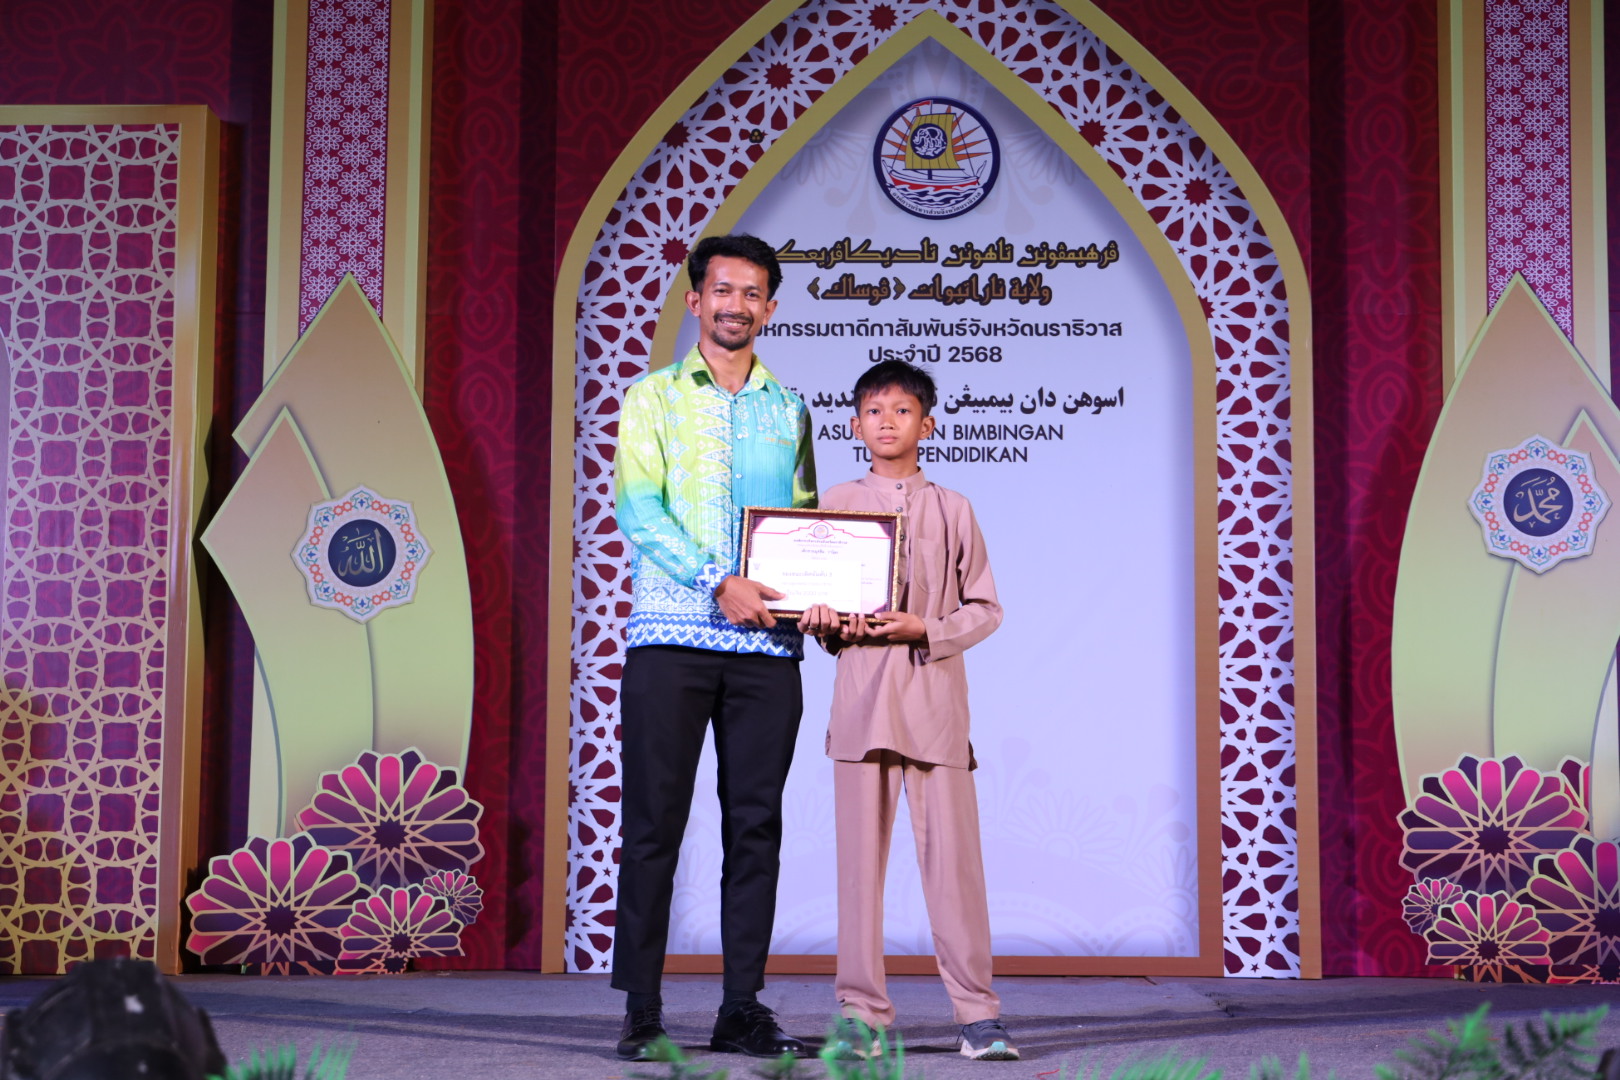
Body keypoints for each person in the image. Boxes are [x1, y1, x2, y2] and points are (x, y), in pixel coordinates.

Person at [610, 234, 816, 1061]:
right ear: (695, 301)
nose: (736, 305)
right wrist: (715, 580)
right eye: (722, 290)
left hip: (767, 651)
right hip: (670, 639)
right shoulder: (651, 397)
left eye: (752, 293)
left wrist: (819, 600)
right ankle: (642, 1010)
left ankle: (741, 1008)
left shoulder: (789, 409)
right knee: (653, 825)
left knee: (756, 827)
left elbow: (804, 522)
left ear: (770, 308)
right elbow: (637, 508)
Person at [799, 359, 1017, 1061]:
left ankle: (978, 1016)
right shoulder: (836, 500)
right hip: (862, 705)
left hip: (933, 707)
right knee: (858, 875)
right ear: (854, 425)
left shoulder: (954, 507)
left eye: (901, 410)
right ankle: (860, 1016)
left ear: (928, 425)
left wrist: (927, 627)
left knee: (955, 871)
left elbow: (986, 608)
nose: (886, 422)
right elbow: (818, 601)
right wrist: (823, 621)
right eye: (873, 411)